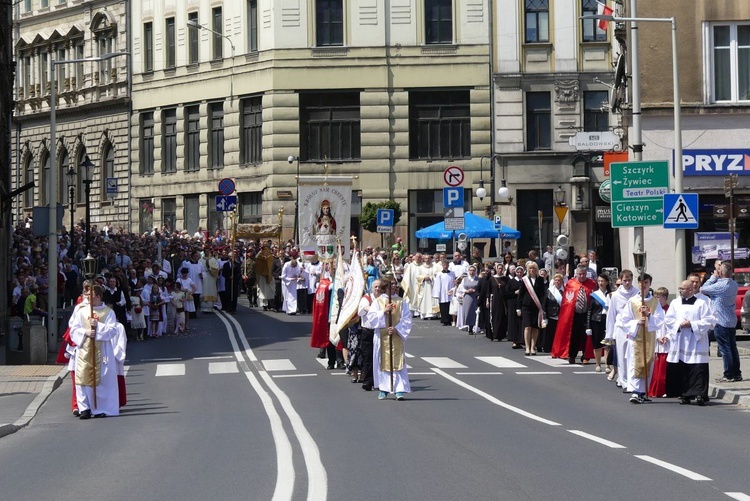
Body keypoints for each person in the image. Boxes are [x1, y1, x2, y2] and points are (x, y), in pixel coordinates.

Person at [69, 284, 121, 419]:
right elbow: (73, 329)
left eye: (90, 296)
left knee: (101, 381)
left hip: (102, 350)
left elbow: (113, 331)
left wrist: (98, 326)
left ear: (98, 297)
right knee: (82, 379)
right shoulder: (81, 311)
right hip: (84, 349)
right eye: (86, 296)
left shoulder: (108, 312)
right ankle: (84, 408)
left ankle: (100, 408)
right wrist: (85, 332)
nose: (87, 299)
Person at [663, 280, 715, 405]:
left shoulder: (702, 303)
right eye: (679, 288)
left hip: (696, 341)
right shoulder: (675, 303)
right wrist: (679, 325)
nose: (680, 291)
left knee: (698, 368)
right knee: (683, 368)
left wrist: (692, 324)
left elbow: (709, 321)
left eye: (683, 289)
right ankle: (685, 394)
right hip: (681, 340)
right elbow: (668, 319)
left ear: (691, 290)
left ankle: (700, 395)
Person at [619, 273, 665, 404]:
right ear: (638, 284)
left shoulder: (655, 302)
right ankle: (635, 391)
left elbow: (661, 319)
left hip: (649, 336)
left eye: (646, 283)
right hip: (636, 337)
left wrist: (650, 316)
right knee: (636, 362)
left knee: (648, 361)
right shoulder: (633, 301)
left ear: (650, 284)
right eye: (641, 283)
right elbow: (624, 319)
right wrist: (636, 323)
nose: (643, 285)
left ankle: (643, 391)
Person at [367, 274, 413, 400]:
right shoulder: (378, 302)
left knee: (397, 362)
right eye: (390, 284)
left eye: (394, 284)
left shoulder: (400, 301)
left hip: (396, 336)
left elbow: (407, 318)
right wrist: (383, 312)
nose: (393, 286)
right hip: (382, 336)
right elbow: (371, 318)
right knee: (382, 362)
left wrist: (397, 328)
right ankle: (384, 388)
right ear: (384, 286)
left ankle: (399, 389)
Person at [700, 261, 742, 383]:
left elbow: (703, 289)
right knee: (733, 347)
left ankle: (728, 374)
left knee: (725, 349)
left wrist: (713, 277)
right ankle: (737, 373)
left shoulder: (720, 286)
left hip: (721, 320)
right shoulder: (733, 284)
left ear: (720, 272)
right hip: (731, 320)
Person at [551, 265, 596, 364]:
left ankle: (585, 356)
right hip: (574, 314)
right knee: (573, 336)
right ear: (576, 274)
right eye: (580, 274)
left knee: (586, 335)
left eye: (583, 274)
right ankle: (572, 355)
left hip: (587, 314)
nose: (581, 276)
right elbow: (566, 300)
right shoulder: (571, 283)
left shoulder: (591, 284)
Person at [605, 270, 640, 386]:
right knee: (621, 354)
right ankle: (623, 380)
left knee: (632, 354)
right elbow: (611, 315)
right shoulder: (615, 296)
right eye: (625, 280)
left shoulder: (637, 293)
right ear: (621, 280)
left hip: (634, 326)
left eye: (629, 280)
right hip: (620, 327)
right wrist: (609, 335)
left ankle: (631, 379)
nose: (627, 282)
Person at [516, 262, 547, 356]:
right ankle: (527, 347)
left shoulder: (540, 280)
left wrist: (542, 307)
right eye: (530, 268)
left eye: (533, 268)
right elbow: (521, 295)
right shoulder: (525, 280)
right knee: (527, 326)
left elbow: (542, 294)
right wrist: (518, 308)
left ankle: (533, 347)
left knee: (535, 327)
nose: (532, 270)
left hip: (536, 307)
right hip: (526, 306)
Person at [648, 287, 671, 398]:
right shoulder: (654, 310)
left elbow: (672, 327)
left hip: (668, 342)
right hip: (657, 342)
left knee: (664, 371)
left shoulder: (670, 310)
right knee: (656, 370)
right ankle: (655, 390)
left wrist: (666, 336)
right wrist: (657, 337)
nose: (656, 299)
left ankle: (666, 390)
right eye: (655, 296)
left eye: (658, 297)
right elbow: (652, 326)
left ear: (665, 297)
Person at [586, 273, 611, 372]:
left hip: (608, 320)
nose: (601, 283)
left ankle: (607, 365)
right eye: (599, 281)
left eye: (602, 281)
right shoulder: (594, 295)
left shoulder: (611, 294)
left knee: (608, 344)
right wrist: (588, 326)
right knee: (597, 344)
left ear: (607, 282)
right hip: (596, 321)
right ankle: (598, 364)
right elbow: (589, 311)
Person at [542, 273, 564, 353]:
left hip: (561, 316)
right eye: (556, 280)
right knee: (550, 333)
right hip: (551, 315)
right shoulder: (549, 291)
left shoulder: (564, 291)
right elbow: (544, 305)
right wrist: (544, 318)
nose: (557, 282)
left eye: (559, 280)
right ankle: (548, 348)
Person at [505, 265, 524, 348]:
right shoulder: (511, 281)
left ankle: (520, 340)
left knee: (521, 322)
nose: (519, 274)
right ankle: (514, 340)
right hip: (512, 303)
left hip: (522, 304)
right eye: (518, 272)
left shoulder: (524, 281)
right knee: (513, 322)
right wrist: (514, 293)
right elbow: (506, 294)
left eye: (521, 272)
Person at [459, 265, 479, 333]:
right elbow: (461, 288)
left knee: (474, 312)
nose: (472, 272)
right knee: (467, 311)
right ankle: (469, 326)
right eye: (470, 270)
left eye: (473, 270)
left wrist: (475, 290)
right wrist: (466, 291)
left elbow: (480, 288)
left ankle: (473, 326)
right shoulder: (465, 279)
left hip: (475, 296)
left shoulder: (477, 279)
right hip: (467, 296)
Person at [433, 260, 454, 326]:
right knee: (443, 307)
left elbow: (454, 282)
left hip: (450, 292)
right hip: (442, 293)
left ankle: (450, 320)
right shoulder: (439, 274)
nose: (445, 266)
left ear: (448, 265)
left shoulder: (452, 273)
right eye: (444, 265)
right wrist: (437, 294)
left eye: (446, 265)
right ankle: (444, 320)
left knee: (450, 306)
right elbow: (437, 284)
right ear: (442, 265)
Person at [201, 248, 220, 313]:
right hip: (204, 277)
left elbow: (216, 269)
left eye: (208, 251)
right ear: (204, 252)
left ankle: (210, 307)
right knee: (204, 290)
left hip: (211, 277)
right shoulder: (200, 260)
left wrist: (210, 269)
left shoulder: (213, 260)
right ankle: (203, 307)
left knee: (210, 290)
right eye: (205, 251)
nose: (207, 252)